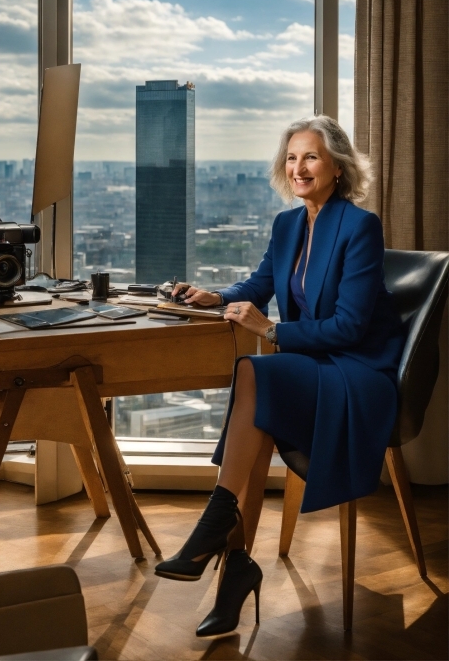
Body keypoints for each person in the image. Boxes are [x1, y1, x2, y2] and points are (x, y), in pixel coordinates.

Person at [154, 116, 405, 639]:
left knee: (254, 370)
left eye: (311, 157)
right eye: (292, 158)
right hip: (314, 367)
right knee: (259, 394)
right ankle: (234, 563)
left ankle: (219, 537)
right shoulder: (287, 224)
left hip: (356, 373)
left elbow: (351, 326)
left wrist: (270, 329)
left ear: (337, 167)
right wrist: (217, 296)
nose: (299, 167)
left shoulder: (359, 226)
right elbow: (263, 280)